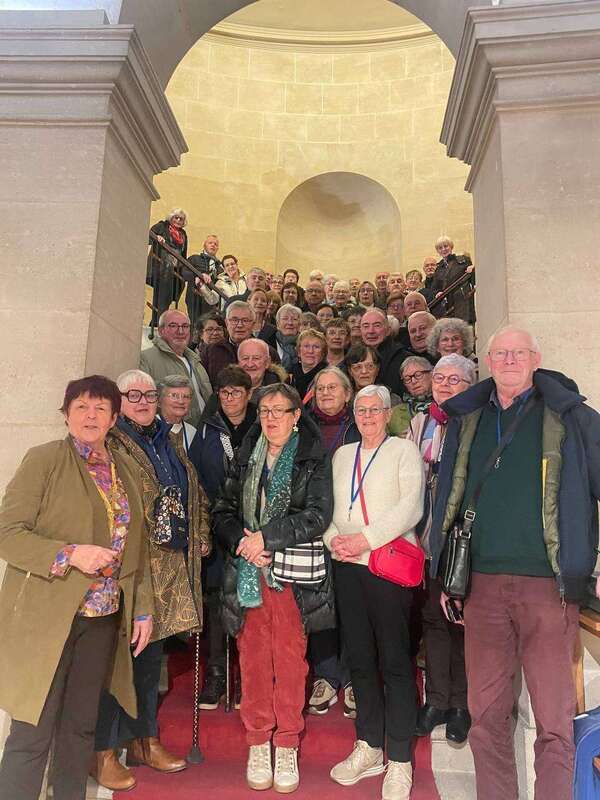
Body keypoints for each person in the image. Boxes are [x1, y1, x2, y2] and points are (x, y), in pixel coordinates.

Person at [429, 326, 600, 800]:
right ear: (487, 361)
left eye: (517, 352)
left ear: (535, 358)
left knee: (553, 722)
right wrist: (447, 574)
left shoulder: (572, 417)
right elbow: (449, 497)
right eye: (499, 353)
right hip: (481, 589)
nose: (508, 360)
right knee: (485, 717)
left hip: (549, 589)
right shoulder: (467, 421)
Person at [0, 375, 153, 800]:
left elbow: (135, 548)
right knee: (33, 729)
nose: (91, 415)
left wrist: (141, 608)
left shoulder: (124, 470)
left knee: (80, 729)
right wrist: (69, 554)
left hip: (102, 620)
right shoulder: (44, 459)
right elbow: (7, 533)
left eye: (101, 408)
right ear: (66, 413)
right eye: (82, 406)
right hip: (46, 618)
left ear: (114, 418)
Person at [213, 384, 335, 793]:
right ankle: (257, 740)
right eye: (264, 410)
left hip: (288, 576)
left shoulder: (312, 459)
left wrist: (266, 539)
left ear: (296, 415)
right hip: (247, 572)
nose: (271, 418)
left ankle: (286, 742)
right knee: (251, 659)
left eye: (280, 411)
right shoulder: (247, 455)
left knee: (288, 659)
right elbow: (223, 511)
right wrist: (244, 543)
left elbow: (317, 516)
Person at [93, 369, 210, 791]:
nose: (142, 401)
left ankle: (144, 740)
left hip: (167, 570)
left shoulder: (167, 438)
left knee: (148, 664)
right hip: (127, 571)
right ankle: (102, 751)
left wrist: (199, 536)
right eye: (133, 395)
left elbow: (189, 489)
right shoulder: (111, 442)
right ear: (119, 401)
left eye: (149, 395)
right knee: (114, 664)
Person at [324, 385, 425, 799]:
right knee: (360, 660)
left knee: (396, 662)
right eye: (360, 410)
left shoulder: (404, 451)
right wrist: (335, 540)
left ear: (387, 414)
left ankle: (400, 759)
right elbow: (331, 506)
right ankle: (369, 745)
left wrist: (363, 540)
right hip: (347, 565)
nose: (367, 416)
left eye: (374, 410)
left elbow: (410, 508)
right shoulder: (343, 454)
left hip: (387, 566)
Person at [406, 355, 476, 743]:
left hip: (465, 540)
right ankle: (436, 700)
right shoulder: (421, 422)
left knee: (463, 625)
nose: (446, 385)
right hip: (428, 538)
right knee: (433, 620)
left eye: (456, 380)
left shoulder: (477, 424)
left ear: (471, 386)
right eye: (441, 378)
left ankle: (462, 705)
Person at [189, 367, 257, 710]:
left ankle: (248, 675)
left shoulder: (260, 426)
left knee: (249, 600)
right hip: (217, 528)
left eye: (237, 392)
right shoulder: (207, 429)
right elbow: (196, 478)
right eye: (225, 392)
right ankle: (216, 673)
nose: (230, 398)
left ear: (248, 393)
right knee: (216, 602)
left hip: (252, 529)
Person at [307, 367, 359, 719]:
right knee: (320, 604)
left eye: (333, 387)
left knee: (354, 605)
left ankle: (354, 677)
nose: (326, 393)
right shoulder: (303, 426)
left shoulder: (361, 425)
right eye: (320, 388)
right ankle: (325, 675)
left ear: (348, 393)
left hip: (354, 530)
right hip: (313, 529)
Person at [140, 309, 212, 426]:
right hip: (171, 433)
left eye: (185, 326)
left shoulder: (195, 360)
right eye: (173, 326)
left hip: (201, 432)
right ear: (161, 330)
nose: (180, 331)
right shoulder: (146, 359)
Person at [147, 209, 188, 326]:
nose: (178, 220)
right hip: (162, 267)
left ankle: (158, 322)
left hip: (175, 270)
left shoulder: (183, 234)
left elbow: (183, 253)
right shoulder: (161, 226)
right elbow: (149, 235)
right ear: (171, 218)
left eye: (181, 219)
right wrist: (157, 238)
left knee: (168, 296)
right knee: (161, 297)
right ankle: (156, 324)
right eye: (176, 217)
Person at [360, 308, 408, 396]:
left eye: (377, 325)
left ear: (388, 331)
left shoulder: (404, 359)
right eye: (366, 326)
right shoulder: (354, 357)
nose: (371, 331)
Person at [205, 301, 255, 385]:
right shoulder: (211, 350)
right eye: (234, 320)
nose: (239, 325)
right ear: (226, 323)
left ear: (253, 324)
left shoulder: (265, 351)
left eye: (245, 320)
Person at [431, 236, 475, 323]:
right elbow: (435, 288)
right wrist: (438, 293)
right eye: (440, 248)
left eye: (446, 246)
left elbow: (474, 280)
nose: (443, 249)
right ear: (438, 251)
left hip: (463, 302)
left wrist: (473, 269)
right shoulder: (438, 268)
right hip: (448, 305)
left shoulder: (463, 260)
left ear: (451, 247)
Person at [388, 356, 434, 437]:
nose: (413, 381)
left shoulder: (445, 406)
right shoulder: (394, 414)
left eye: (418, 375)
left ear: (431, 374)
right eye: (407, 379)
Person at [184, 235, 223, 325]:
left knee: (208, 325)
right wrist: (197, 276)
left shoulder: (220, 266)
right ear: (204, 245)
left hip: (211, 301)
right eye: (210, 243)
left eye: (215, 244)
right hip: (194, 297)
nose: (213, 245)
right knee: (195, 325)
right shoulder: (194, 258)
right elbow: (184, 273)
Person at [158, 374, 197, 452]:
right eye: (174, 396)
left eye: (186, 397)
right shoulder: (151, 429)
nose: (181, 401)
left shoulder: (193, 432)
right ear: (159, 400)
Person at [290, 329, 327, 402]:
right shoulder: (288, 377)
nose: (310, 351)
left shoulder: (328, 377)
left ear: (323, 353)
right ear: (298, 351)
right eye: (306, 346)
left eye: (316, 347)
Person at [275, 303, 302, 372]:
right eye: (285, 319)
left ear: (299, 324)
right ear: (278, 324)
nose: (290, 323)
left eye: (294, 319)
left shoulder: (304, 343)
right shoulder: (270, 342)